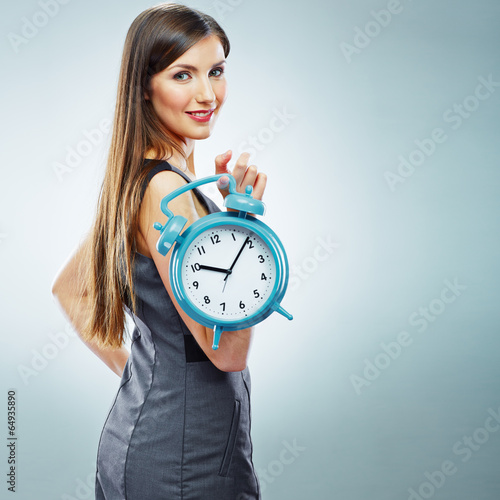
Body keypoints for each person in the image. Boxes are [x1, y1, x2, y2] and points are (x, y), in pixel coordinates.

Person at [51, 3, 266, 499]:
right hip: (181, 460)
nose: (207, 94)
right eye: (182, 75)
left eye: (216, 71)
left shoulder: (143, 180)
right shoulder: (164, 192)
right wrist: (243, 225)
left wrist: (148, 375)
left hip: (150, 438)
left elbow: (69, 289)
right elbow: (228, 352)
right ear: (145, 85)